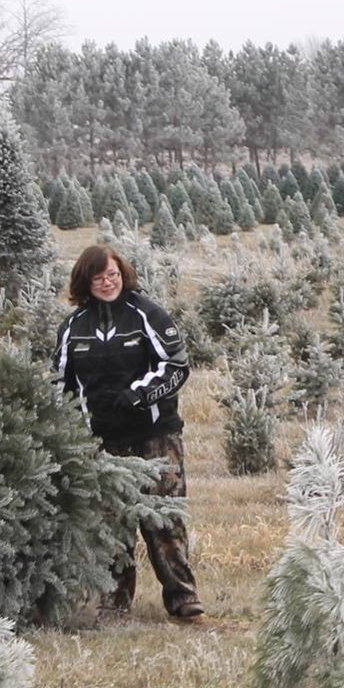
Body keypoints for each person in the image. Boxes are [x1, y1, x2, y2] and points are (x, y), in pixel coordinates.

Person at [52, 243, 204, 621]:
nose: (108, 282)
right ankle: (114, 602)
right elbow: (60, 383)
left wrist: (137, 395)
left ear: (124, 275)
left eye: (114, 275)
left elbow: (176, 365)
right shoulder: (73, 327)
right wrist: (69, 428)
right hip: (101, 441)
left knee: (164, 518)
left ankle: (183, 598)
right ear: (85, 281)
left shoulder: (146, 314)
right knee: (111, 522)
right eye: (99, 276)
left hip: (155, 434)